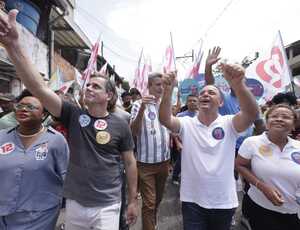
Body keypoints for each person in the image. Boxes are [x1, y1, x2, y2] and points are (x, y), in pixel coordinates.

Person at [0, 9, 138, 230]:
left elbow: (130, 163)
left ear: (109, 96)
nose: (89, 88)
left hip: (108, 206)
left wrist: (132, 200)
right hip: (74, 203)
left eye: (96, 86)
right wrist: (13, 45)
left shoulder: (120, 123)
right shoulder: (73, 114)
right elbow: (38, 87)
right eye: (88, 84)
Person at [159, 63, 258, 230]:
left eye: (211, 92)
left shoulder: (229, 123)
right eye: (202, 93)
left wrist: (238, 84)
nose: (205, 94)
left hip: (223, 202)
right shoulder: (186, 123)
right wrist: (167, 91)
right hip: (192, 201)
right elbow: (165, 119)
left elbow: (251, 113)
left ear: (220, 102)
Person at [0, 90, 69, 230]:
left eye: (31, 107)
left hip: (40, 215)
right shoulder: (2, 137)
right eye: (20, 106)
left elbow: (66, 177)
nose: (24, 109)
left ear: (44, 114)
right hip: (3, 214)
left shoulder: (56, 140)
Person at [235, 104, 300, 230]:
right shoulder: (252, 142)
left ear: (293, 125)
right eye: (274, 116)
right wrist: (262, 187)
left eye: (285, 117)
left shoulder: (298, 146)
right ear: (267, 122)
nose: (279, 119)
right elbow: (239, 165)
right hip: (261, 209)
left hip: (294, 212)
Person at [131, 72, 170, 230]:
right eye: (157, 84)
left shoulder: (165, 104)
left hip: (164, 162)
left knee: (157, 200)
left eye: (163, 84)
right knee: (149, 204)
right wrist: (142, 108)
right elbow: (133, 131)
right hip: (145, 164)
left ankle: (152, 223)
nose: (161, 87)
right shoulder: (137, 104)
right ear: (149, 86)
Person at [172, 94, 199, 184]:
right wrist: (178, 143)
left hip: (197, 145)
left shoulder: (202, 115)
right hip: (183, 144)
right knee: (181, 161)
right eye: (190, 101)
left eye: (194, 101)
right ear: (187, 102)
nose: (192, 102)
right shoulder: (180, 115)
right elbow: (174, 132)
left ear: (198, 102)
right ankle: (175, 176)